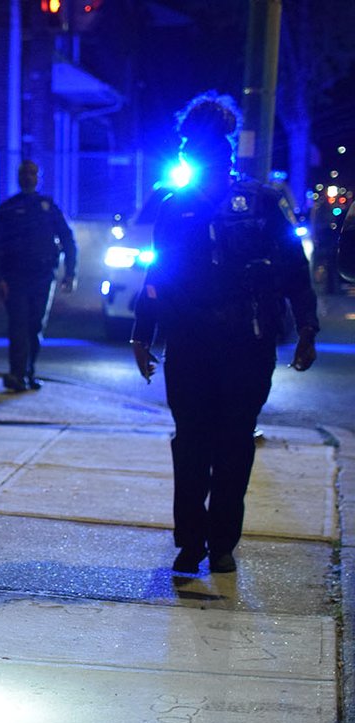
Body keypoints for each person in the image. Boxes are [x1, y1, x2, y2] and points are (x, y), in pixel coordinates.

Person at [130, 91, 318, 575]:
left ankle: (221, 543)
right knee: (192, 442)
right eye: (191, 143)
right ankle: (193, 541)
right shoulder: (175, 206)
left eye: (206, 143)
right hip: (191, 342)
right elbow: (158, 274)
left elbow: (294, 270)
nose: (197, 151)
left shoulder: (259, 202)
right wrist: (141, 331)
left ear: (226, 145)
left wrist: (308, 327)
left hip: (246, 342)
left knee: (232, 443)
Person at [0, 159, 78, 392]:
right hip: (15, 277)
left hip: (43, 275)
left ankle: (28, 372)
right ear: (18, 177)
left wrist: (70, 273)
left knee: (35, 325)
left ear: (38, 177)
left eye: (32, 173)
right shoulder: (8, 209)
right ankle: (17, 374)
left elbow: (67, 239)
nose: (28, 177)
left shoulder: (47, 207)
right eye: (24, 173)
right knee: (18, 325)